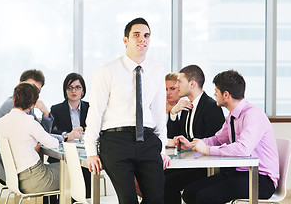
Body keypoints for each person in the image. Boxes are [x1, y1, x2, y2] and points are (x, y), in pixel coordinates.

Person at [84, 17, 171, 204]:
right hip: (116, 141)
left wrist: (162, 148)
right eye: (136, 35)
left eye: (146, 35)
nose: (142, 39)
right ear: (126, 40)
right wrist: (91, 150)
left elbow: (158, 113)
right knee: (128, 200)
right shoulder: (107, 70)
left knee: (156, 198)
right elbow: (95, 111)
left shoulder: (157, 70)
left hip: (148, 140)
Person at [176, 70, 279, 204]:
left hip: (260, 179)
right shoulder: (232, 116)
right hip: (238, 173)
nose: (214, 94)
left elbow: (243, 149)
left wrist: (208, 150)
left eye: (216, 91)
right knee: (190, 193)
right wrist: (193, 144)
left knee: (205, 197)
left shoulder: (253, 114)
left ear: (226, 95)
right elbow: (217, 139)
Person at [164, 65, 225, 204]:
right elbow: (175, 137)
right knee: (157, 175)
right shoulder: (186, 105)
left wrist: (190, 145)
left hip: (205, 167)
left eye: (180, 81)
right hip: (190, 162)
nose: (177, 85)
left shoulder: (210, 106)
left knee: (166, 181)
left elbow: (214, 141)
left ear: (192, 84)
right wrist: (173, 113)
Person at [0, 83, 60, 193]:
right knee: (71, 171)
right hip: (35, 178)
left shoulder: (0, 123)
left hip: (15, 179)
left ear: (14, 98)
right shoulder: (29, 122)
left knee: (59, 168)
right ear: (33, 104)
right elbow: (54, 144)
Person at [49, 72, 91, 199]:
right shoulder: (56, 109)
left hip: (83, 153)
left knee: (87, 171)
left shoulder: (90, 107)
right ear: (65, 90)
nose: (74, 90)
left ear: (82, 90)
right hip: (63, 155)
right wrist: (67, 135)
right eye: (70, 87)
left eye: (77, 87)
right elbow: (51, 132)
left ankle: (84, 200)